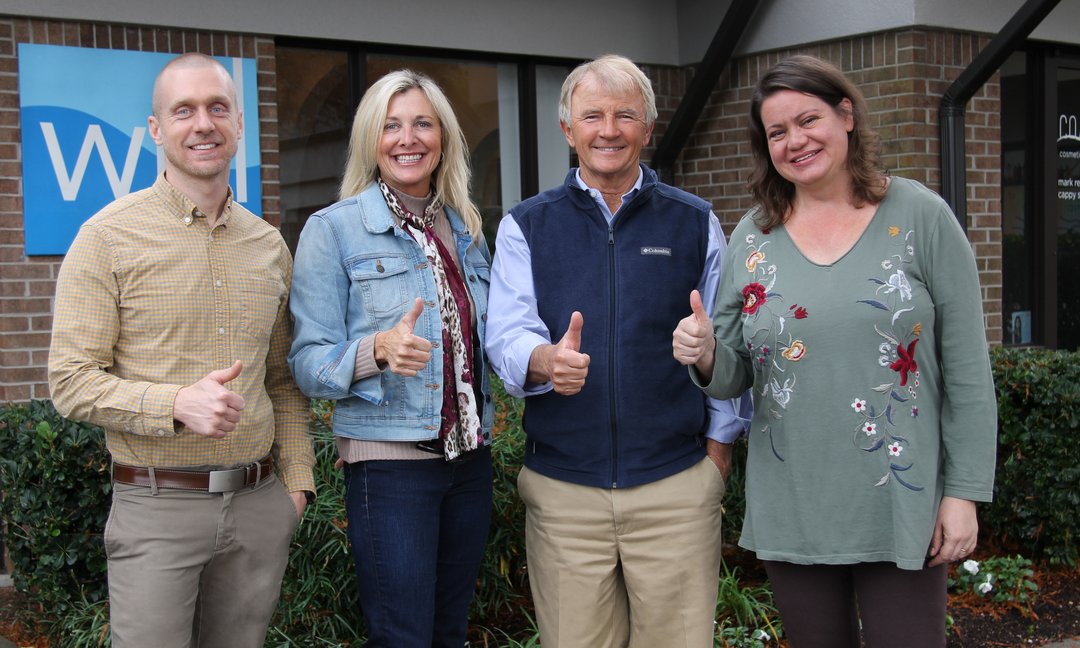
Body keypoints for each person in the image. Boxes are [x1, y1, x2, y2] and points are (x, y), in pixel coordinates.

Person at [673, 54, 998, 647]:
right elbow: (734, 374)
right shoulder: (753, 237)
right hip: (795, 505)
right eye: (777, 132)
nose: (796, 141)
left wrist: (964, 494)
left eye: (809, 120)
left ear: (845, 115)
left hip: (902, 504)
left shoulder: (921, 217)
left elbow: (969, 374)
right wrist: (701, 352)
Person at [48, 53, 315, 647]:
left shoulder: (269, 245)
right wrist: (173, 404)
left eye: (218, 107)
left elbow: (281, 378)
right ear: (155, 129)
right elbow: (69, 380)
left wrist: (295, 486)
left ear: (239, 124)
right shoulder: (106, 238)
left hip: (258, 507)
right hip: (157, 505)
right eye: (184, 110)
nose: (203, 124)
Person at [485, 54, 749, 648]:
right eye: (593, 116)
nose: (609, 130)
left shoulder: (695, 221)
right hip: (565, 493)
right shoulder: (527, 224)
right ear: (567, 129)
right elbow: (505, 334)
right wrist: (545, 361)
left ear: (648, 129)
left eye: (626, 115)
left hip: (675, 485)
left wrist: (717, 453)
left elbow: (727, 343)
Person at [287, 69, 493, 648]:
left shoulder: (466, 229)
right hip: (391, 465)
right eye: (392, 125)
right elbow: (306, 362)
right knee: (402, 635)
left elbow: (485, 345)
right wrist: (375, 350)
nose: (409, 138)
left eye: (423, 124)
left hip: (469, 460)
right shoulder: (334, 231)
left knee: (450, 631)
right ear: (371, 141)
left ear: (443, 137)